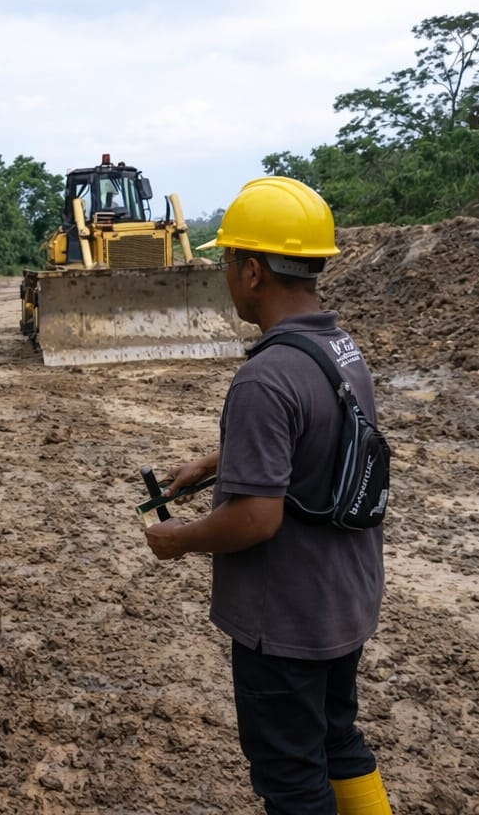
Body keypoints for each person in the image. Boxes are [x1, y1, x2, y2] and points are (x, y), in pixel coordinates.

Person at [144, 176, 391, 815]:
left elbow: (256, 518)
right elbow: (321, 438)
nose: (225, 275)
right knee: (339, 739)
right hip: (344, 602)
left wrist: (181, 540)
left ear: (252, 271)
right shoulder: (340, 350)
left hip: (284, 621)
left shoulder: (263, 376)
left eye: (226, 261)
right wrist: (214, 461)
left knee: (292, 778)